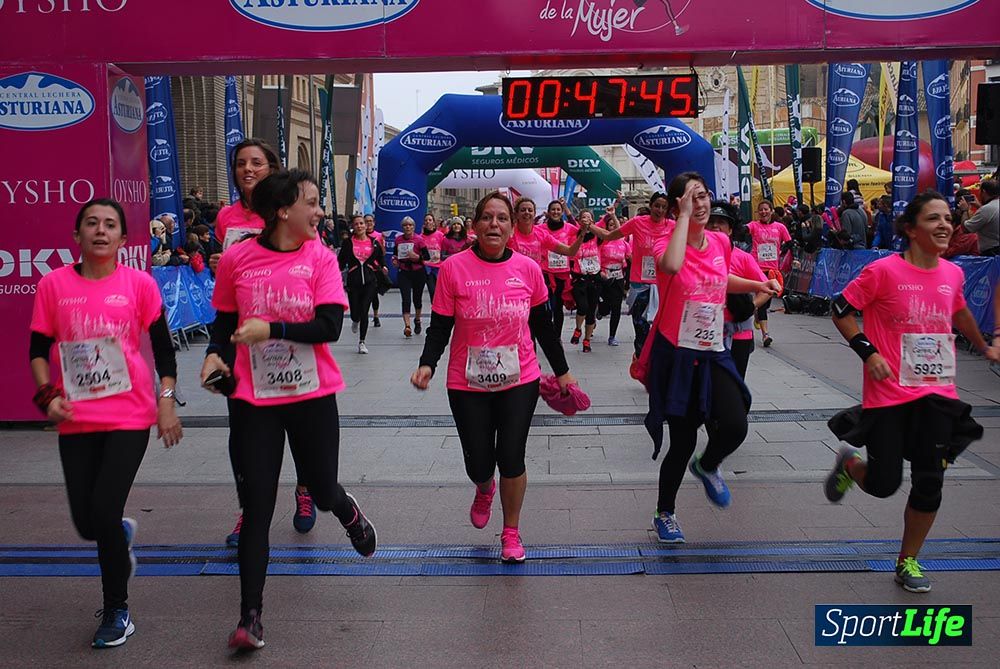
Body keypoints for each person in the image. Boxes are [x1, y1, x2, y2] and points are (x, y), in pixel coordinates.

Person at [201, 170, 377, 649]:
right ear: (283, 210)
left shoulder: (319, 258)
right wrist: (214, 355)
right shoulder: (238, 259)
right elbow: (224, 321)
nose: (319, 211)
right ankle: (249, 617)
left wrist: (272, 330)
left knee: (321, 490)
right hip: (252, 400)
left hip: (311, 396)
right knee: (256, 506)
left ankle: (347, 511)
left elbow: (329, 327)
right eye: (312, 202)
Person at [825, 191, 998, 593]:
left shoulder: (953, 273)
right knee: (884, 484)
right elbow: (841, 310)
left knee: (929, 481)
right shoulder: (883, 271)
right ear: (910, 228)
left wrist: (987, 341)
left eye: (949, 218)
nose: (945, 225)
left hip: (938, 394)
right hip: (889, 393)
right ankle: (851, 466)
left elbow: (958, 310)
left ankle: (908, 562)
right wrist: (868, 354)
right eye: (934, 219)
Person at [29, 198, 183, 648]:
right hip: (77, 414)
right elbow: (38, 352)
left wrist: (166, 403)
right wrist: (48, 397)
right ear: (76, 236)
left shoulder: (138, 285)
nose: (100, 230)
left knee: (103, 508)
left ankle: (117, 609)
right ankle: (118, 534)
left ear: (122, 239)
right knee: (86, 522)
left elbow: (165, 351)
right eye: (91, 224)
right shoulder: (53, 285)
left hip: (130, 413)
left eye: (110, 224)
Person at [410, 192, 576, 563]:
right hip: (467, 382)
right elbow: (440, 326)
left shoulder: (528, 270)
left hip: (520, 378)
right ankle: (484, 487)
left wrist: (563, 373)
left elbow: (544, 327)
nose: (495, 225)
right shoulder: (453, 268)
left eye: (502, 218)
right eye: (487, 218)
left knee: (512, 457)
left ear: (511, 226)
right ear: (475, 225)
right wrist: (427, 364)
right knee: (480, 463)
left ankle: (512, 532)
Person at [640, 174, 779, 544]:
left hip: (714, 351)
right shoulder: (665, 242)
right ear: (675, 207)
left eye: (702, 196)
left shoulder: (720, 241)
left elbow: (720, 278)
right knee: (681, 441)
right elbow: (671, 267)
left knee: (735, 425)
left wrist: (756, 284)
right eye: (689, 199)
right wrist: (682, 217)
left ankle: (707, 464)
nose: (699, 204)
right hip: (679, 356)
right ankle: (664, 513)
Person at [207, 138, 318, 548]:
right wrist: (223, 265)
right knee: (245, 436)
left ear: (273, 169)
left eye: (257, 163)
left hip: (291, 333)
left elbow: (313, 258)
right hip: (243, 337)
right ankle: (250, 511)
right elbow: (226, 275)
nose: (247, 170)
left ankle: (305, 489)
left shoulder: (295, 210)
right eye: (240, 163)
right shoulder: (227, 216)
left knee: (300, 428)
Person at [590, 192, 674, 358]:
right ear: (651, 205)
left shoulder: (673, 226)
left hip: (663, 284)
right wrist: (589, 226)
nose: (660, 209)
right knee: (641, 328)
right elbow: (609, 235)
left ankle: (656, 362)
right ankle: (642, 362)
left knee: (662, 329)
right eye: (657, 205)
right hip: (639, 284)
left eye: (664, 207)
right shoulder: (638, 222)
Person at [705, 201, 770, 379]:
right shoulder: (696, 256)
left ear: (731, 229)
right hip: (705, 332)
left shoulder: (743, 258)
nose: (715, 226)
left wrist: (751, 307)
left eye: (721, 222)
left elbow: (766, 288)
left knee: (735, 385)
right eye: (711, 222)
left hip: (739, 333)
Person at [746, 199, 791, 347]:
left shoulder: (780, 227)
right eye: (761, 210)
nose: (764, 212)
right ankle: (766, 335)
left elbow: (789, 243)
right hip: (757, 269)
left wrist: (782, 253)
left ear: (771, 211)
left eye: (766, 209)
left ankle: (757, 313)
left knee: (767, 301)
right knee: (763, 302)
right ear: (758, 212)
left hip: (773, 270)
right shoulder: (754, 225)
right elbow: (743, 230)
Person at [338, 214, 386, 354]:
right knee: (355, 312)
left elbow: (380, 257)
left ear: (366, 226)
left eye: (361, 223)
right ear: (353, 227)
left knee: (365, 310)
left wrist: (383, 266)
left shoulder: (374, 242)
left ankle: (362, 342)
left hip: (370, 280)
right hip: (354, 280)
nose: (359, 226)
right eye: (356, 224)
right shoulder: (348, 243)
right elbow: (340, 262)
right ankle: (355, 320)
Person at [538, 200, 581, 338]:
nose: (556, 212)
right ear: (549, 212)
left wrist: (568, 212)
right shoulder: (541, 228)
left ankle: (557, 337)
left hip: (562, 274)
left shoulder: (568, 227)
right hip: (546, 272)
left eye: (558, 210)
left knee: (558, 307)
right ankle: (548, 334)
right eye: (553, 210)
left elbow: (580, 230)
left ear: (561, 212)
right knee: (547, 307)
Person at [597, 207, 630, 346]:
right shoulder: (603, 242)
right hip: (605, 277)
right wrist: (600, 272)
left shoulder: (622, 241)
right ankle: (600, 311)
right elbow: (595, 257)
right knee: (606, 307)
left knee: (616, 307)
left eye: (614, 226)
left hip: (618, 278)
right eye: (609, 226)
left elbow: (630, 257)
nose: (613, 228)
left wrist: (614, 216)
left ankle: (612, 336)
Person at [569, 210, 602, 352]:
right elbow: (571, 219)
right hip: (579, 278)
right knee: (582, 306)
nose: (586, 220)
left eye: (589, 218)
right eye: (584, 217)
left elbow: (611, 228)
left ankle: (587, 340)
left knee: (591, 311)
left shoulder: (597, 237)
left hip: (594, 278)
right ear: (579, 220)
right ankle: (577, 329)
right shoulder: (574, 235)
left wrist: (615, 206)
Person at [393, 216, 428, 338]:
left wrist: (417, 257)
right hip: (404, 272)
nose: (407, 227)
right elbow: (395, 254)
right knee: (406, 299)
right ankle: (407, 326)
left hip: (418, 271)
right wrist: (395, 260)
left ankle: (417, 319)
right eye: (405, 225)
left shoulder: (419, 240)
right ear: (402, 227)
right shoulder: (398, 240)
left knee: (417, 299)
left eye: (410, 225)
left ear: (413, 227)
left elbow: (427, 257)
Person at [963, 178, 999, 256]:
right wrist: (979, 206)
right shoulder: (992, 207)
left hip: (992, 254)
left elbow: (966, 229)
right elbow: (991, 215)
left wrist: (965, 210)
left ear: (984, 192)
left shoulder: (987, 209)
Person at [365, 214, 387, 327]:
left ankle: (376, 316)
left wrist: (382, 242)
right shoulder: (359, 235)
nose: (368, 223)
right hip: (363, 268)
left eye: (370, 221)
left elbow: (382, 253)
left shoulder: (378, 236)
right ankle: (362, 314)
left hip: (375, 269)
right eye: (366, 221)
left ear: (374, 222)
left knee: (374, 294)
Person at [421, 213, 444, 300]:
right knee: (432, 291)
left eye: (430, 220)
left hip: (439, 267)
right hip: (428, 268)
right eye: (426, 220)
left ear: (434, 223)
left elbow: (444, 250)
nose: (428, 222)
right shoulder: (421, 237)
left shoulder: (440, 235)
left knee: (440, 292)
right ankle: (434, 310)